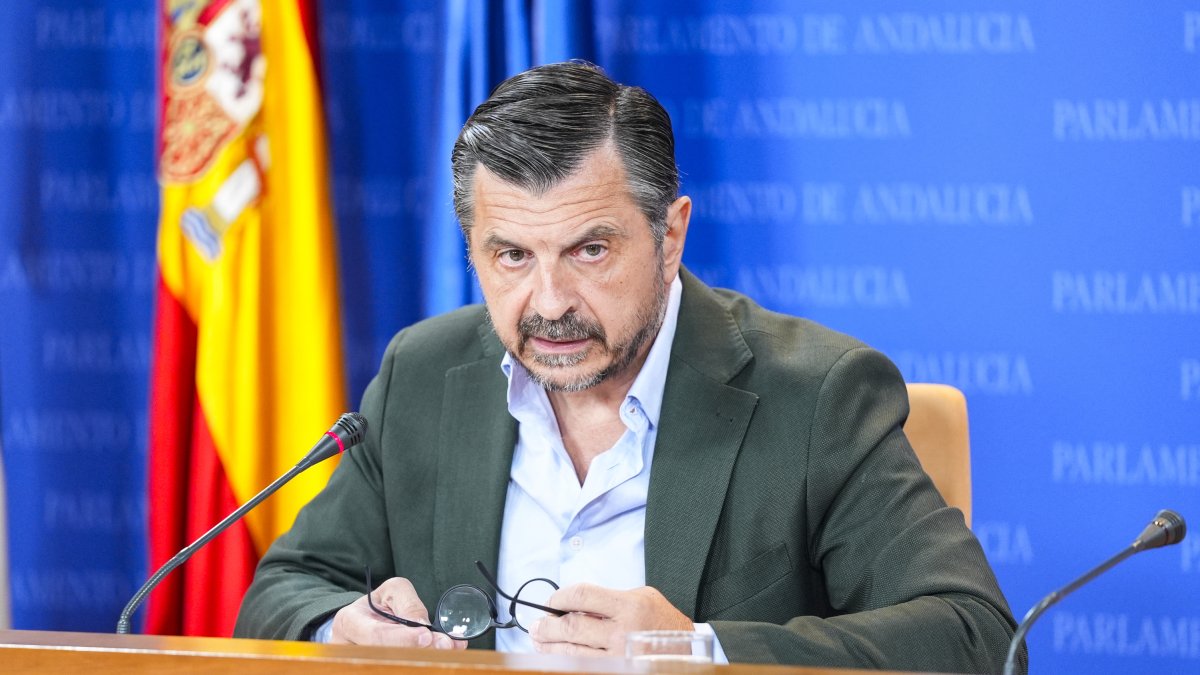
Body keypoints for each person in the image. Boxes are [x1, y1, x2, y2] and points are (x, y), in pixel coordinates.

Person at [234, 61, 1023, 673]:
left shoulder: (817, 394)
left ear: (670, 235)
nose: (549, 302)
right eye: (511, 255)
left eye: (590, 250)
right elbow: (281, 592)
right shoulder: (423, 373)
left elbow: (975, 634)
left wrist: (699, 650)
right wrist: (345, 624)